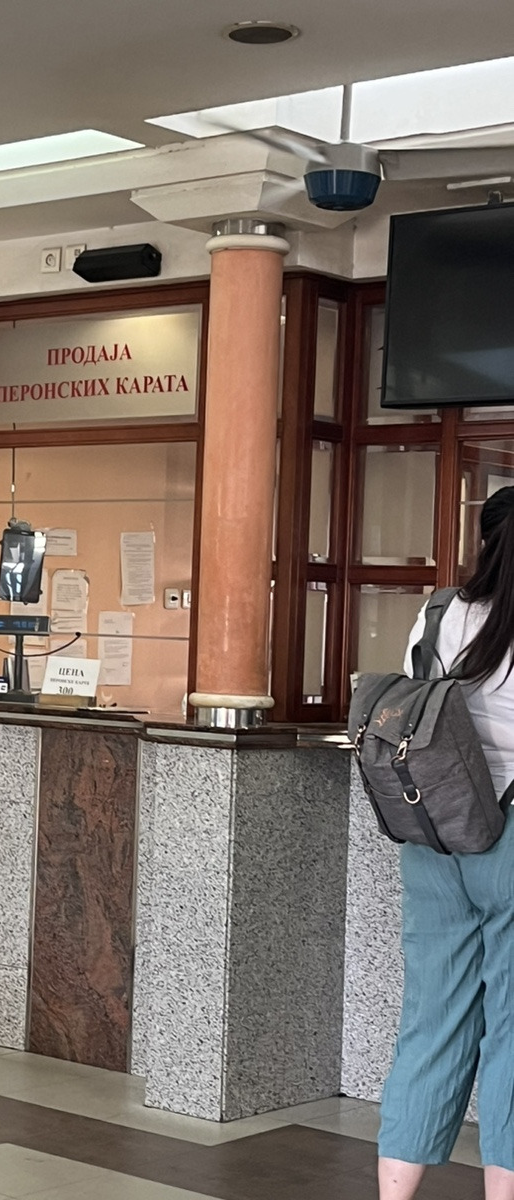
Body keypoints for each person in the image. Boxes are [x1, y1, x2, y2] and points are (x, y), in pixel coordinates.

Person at [378, 485, 514, 1200]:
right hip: (510, 838)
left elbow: (414, 709)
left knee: (431, 1020)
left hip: (435, 836)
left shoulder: (439, 613)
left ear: (485, 541)